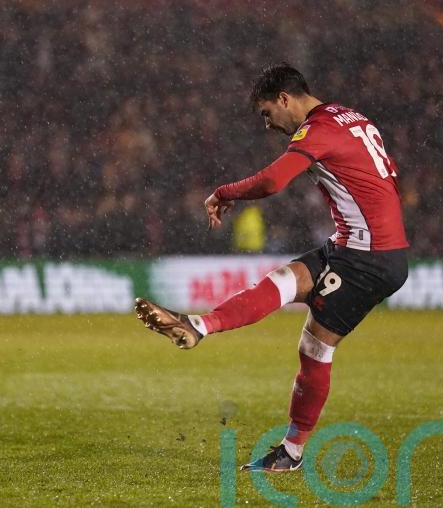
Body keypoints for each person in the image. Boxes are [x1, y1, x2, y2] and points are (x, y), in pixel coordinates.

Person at [135, 63, 409, 472]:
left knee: (315, 348)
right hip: (356, 245)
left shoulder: (318, 129)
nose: (268, 125)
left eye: (267, 113)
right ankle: (199, 325)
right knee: (284, 281)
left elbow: (273, 182)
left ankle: (291, 453)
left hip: (368, 256)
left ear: (284, 98)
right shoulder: (349, 117)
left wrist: (225, 192)